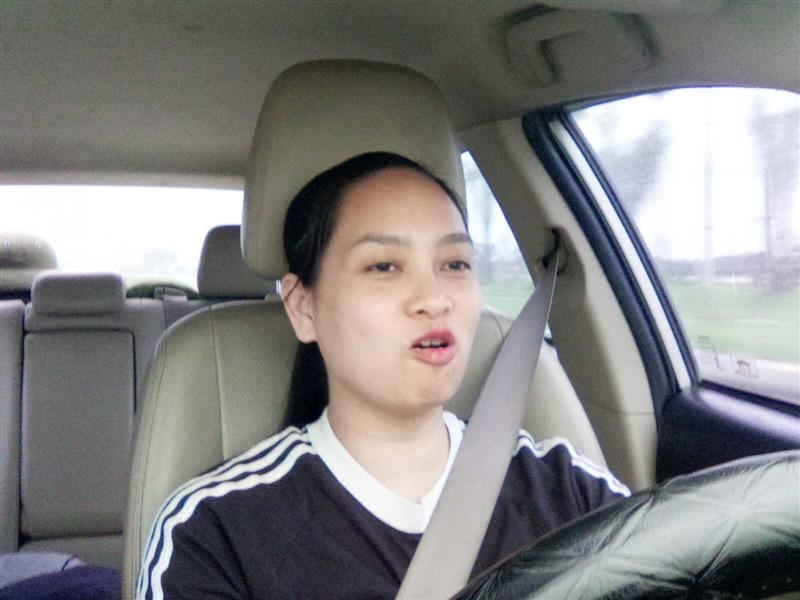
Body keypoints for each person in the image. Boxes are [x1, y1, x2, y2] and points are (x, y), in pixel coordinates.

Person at [136, 152, 630, 600]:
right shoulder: (214, 533)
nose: (434, 299)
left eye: (455, 263)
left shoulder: (569, 490)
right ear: (303, 308)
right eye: (384, 266)